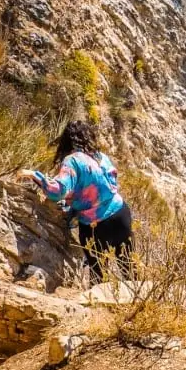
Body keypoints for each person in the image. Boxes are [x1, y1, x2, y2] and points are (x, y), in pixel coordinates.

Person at [20, 121, 133, 285]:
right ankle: (138, 307)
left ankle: (99, 308)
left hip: (95, 225)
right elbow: (113, 182)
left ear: (66, 140)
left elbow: (57, 191)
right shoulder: (101, 157)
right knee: (129, 269)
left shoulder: (72, 161)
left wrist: (34, 175)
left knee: (98, 275)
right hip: (120, 213)